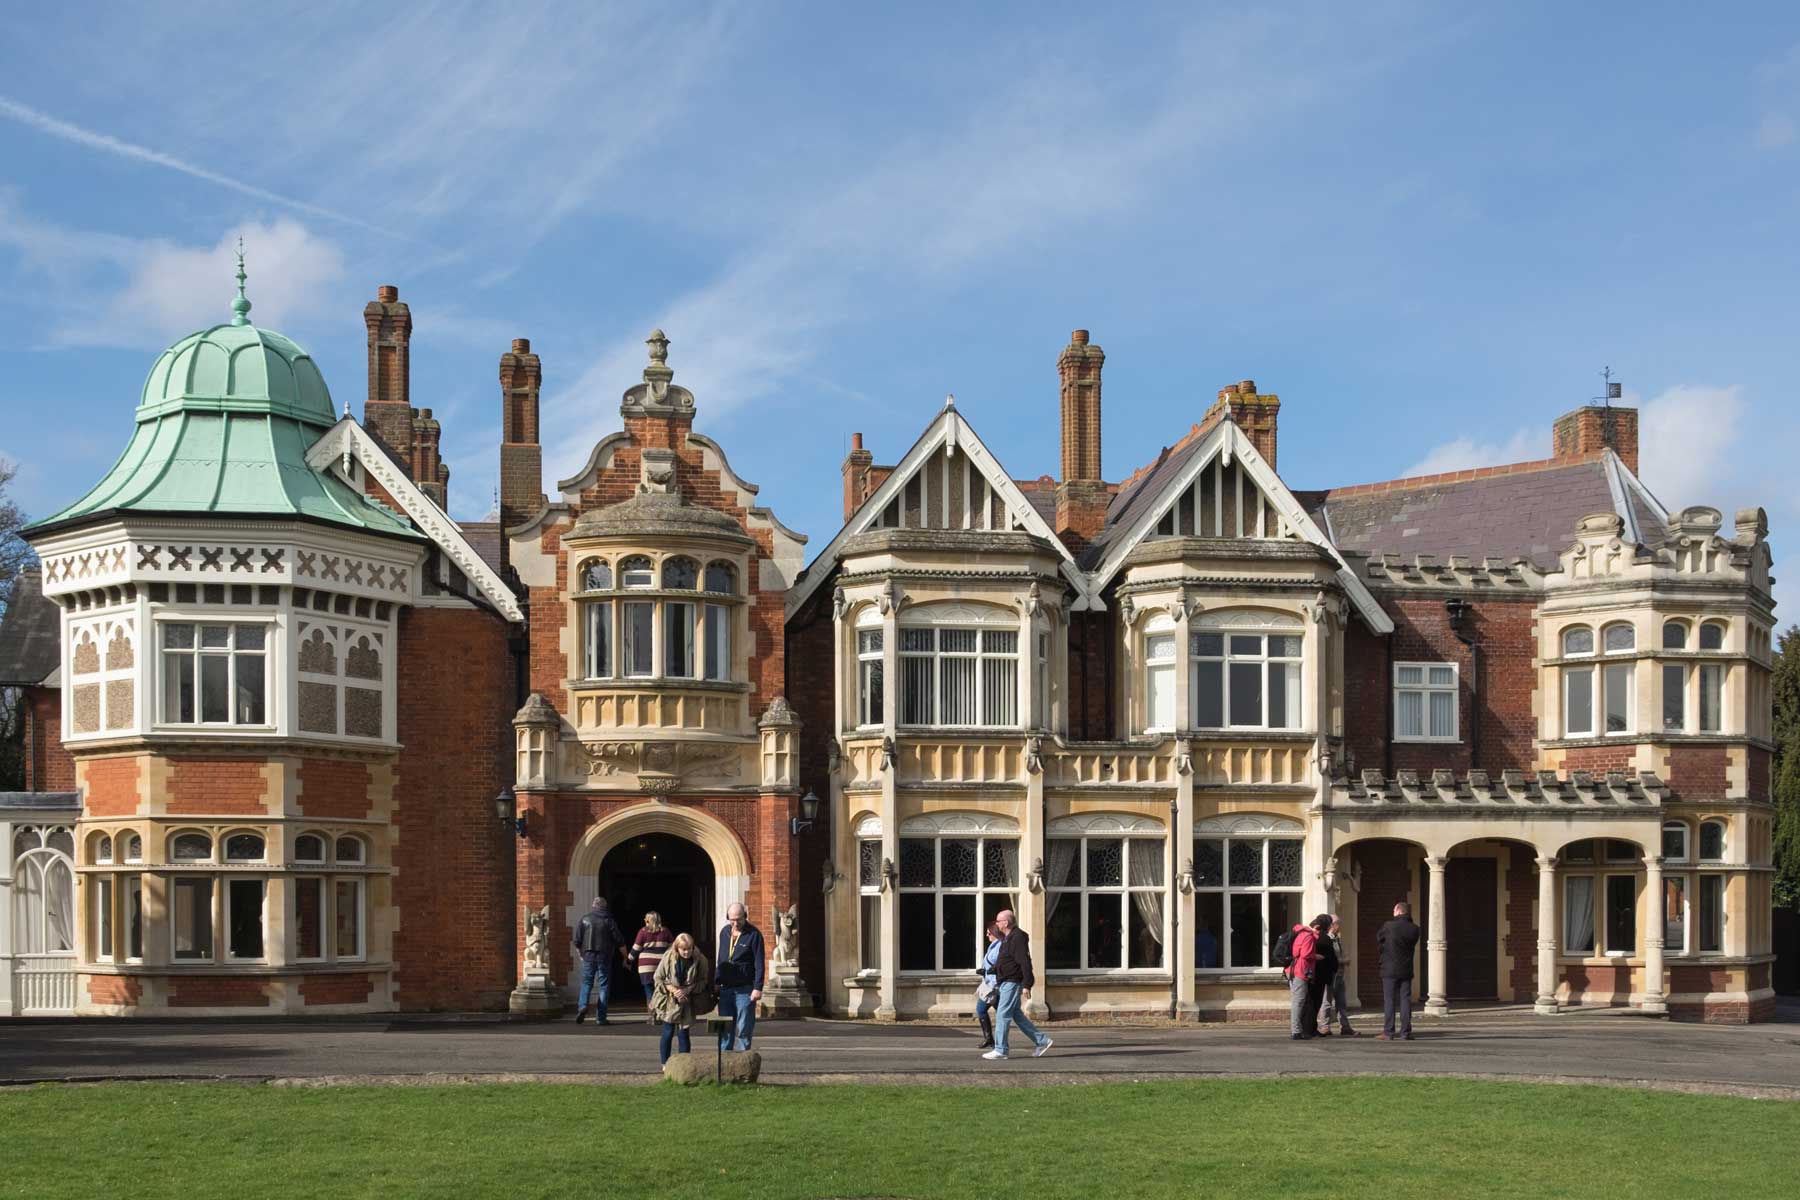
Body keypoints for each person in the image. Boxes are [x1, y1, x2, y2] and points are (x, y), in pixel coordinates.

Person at [984, 908, 1052, 1060]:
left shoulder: (1017, 937)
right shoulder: (1008, 938)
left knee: (1002, 1014)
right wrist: (991, 970)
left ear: (1006, 923)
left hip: (1012, 981)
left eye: (998, 921)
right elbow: (1007, 960)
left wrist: (1027, 984)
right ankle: (1042, 1040)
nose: (996, 923)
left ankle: (1001, 1049)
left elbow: (1024, 962)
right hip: (1006, 981)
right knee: (1016, 1014)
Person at [651, 932, 710, 1065]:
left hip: (687, 1001)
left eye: (689, 949)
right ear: (677, 948)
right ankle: (664, 1064)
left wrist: (688, 989)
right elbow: (658, 978)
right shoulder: (668, 957)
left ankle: (684, 1065)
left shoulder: (700, 959)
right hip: (670, 1000)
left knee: (684, 1033)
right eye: (683, 949)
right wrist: (674, 990)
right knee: (668, 1031)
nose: (687, 952)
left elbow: (703, 981)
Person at [714, 902, 765, 1051]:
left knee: (744, 1026)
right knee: (725, 1026)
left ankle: (742, 1060)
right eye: (732, 920)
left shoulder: (754, 935)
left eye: (739, 919)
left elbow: (759, 963)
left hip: (745, 989)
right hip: (725, 988)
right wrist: (717, 980)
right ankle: (724, 1059)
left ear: (745, 916)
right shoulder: (724, 932)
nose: (735, 923)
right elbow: (721, 958)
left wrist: (758, 987)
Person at [572, 896, 628, 1026]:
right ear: (605, 907)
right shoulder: (609, 920)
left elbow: (577, 940)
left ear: (593, 906)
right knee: (603, 985)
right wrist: (625, 956)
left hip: (588, 956)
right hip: (605, 957)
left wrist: (580, 954)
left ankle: (582, 1006)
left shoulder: (585, 919)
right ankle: (601, 1017)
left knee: (587, 982)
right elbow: (619, 941)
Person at [1376, 899, 1422, 1041]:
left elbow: (1379, 938)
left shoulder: (1389, 926)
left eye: (1394, 911)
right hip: (1406, 968)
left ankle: (1389, 1032)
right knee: (1405, 1000)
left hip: (1389, 969)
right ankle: (1406, 1032)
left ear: (1398, 911)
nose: (1393, 913)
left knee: (1389, 1000)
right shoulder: (1415, 928)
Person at [1317, 914, 1359, 1037]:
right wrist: (1343, 961)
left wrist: (1344, 959)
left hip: (1340, 974)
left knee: (1342, 1002)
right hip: (1331, 974)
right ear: (1332, 925)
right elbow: (1329, 957)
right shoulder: (1327, 939)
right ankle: (1324, 1026)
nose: (1339, 926)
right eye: (1338, 924)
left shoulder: (1337, 938)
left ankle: (1345, 1027)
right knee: (1327, 1001)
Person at [1283, 914, 1321, 1040]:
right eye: (1320, 930)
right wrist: (1316, 956)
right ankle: (1296, 1031)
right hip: (1300, 970)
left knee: (1296, 1000)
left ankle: (1296, 1029)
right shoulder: (1308, 936)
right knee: (1298, 1001)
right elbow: (1305, 954)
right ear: (1316, 927)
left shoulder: (1300, 933)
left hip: (1292, 969)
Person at [631, 911, 673, 1025]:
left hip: (646, 966)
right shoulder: (666, 932)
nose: (645, 921)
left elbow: (636, 949)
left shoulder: (642, 932)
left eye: (646, 919)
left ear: (649, 920)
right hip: (661, 966)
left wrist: (628, 959)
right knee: (661, 990)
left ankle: (652, 1016)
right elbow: (672, 949)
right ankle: (661, 1014)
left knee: (649, 992)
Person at [1301, 913, 1335, 1038]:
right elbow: (1331, 958)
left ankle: (1309, 1028)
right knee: (1315, 1002)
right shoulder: (1325, 939)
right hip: (1319, 975)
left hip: (1309, 973)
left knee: (1310, 1001)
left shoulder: (1312, 937)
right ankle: (1309, 1029)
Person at [973, 921, 1003, 1050]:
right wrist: (984, 971)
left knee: (981, 1009)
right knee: (1002, 1014)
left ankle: (991, 1040)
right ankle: (991, 1040)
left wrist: (993, 971)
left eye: (989, 933)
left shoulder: (999, 946)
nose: (987, 935)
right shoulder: (993, 945)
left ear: (995, 933)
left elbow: (1001, 964)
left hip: (993, 986)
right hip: (989, 983)